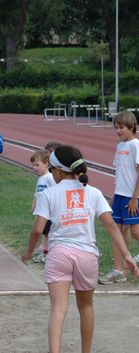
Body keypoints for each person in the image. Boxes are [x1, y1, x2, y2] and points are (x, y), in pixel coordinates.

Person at [22, 145, 138, 353]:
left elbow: (38, 230)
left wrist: (29, 252)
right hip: (87, 256)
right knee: (86, 307)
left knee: (58, 310)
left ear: (56, 170)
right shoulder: (93, 192)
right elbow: (111, 225)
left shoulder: (49, 193)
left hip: (59, 255)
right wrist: (127, 255)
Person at [99, 111, 139, 284]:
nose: (118, 131)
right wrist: (115, 196)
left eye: (121, 128)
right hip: (120, 196)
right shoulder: (120, 146)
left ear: (131, 127)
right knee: (116, 232)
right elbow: (120, 174)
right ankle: (118, 270)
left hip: (132, 197)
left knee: (135, 231)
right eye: (116, 128)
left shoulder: (135, 145)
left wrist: (135, 198)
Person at [30, 150, 56, 263]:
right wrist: (34, 204)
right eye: (33, 165)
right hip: (40, 211)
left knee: (48, 233)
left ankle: (49, 253)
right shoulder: (40, 179)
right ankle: (46, 252)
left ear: (46, 164)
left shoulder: (50, 178)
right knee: (45, 233)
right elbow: (37, 193)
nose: (35, 167)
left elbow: (55, 191)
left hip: (48, 212)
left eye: (37, 165)